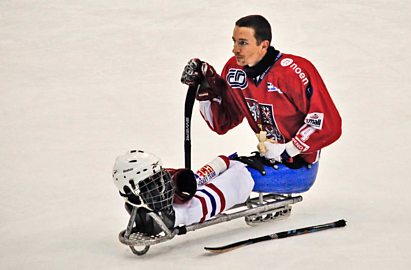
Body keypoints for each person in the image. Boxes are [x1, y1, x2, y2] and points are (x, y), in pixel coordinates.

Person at [181, 15, 341, 166]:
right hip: (268, 159)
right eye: (234, 42)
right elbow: (224, 123)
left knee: (230, 177)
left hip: (299, 164)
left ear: (263, 45)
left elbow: (327, 123)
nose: (235, 49)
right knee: (217, 171)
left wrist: (288, 150)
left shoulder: (294, 71)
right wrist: (207, 92)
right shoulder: (234, 71)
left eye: (242, 43)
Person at [113, 150, 254, 234]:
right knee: (241, 178)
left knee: (240, 175)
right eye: (153, 183)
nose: (163, 185)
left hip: (240, 167)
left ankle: (170, 216)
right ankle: (172, 217)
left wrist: (183, 180)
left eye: (159, 178)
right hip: (241, 172)